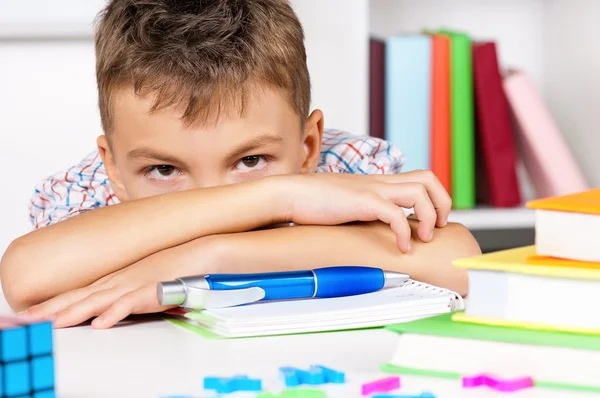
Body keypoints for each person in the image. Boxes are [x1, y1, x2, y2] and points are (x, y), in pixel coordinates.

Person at [0, 0, 480, 329]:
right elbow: (24, 280)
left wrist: (205, 258)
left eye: (251, 160)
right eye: (164, 170)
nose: (214, 193)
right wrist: (276, 194)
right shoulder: (90, 190)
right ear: (113, 169)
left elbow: (462, 264)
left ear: (309, 145)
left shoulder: (344, 168)